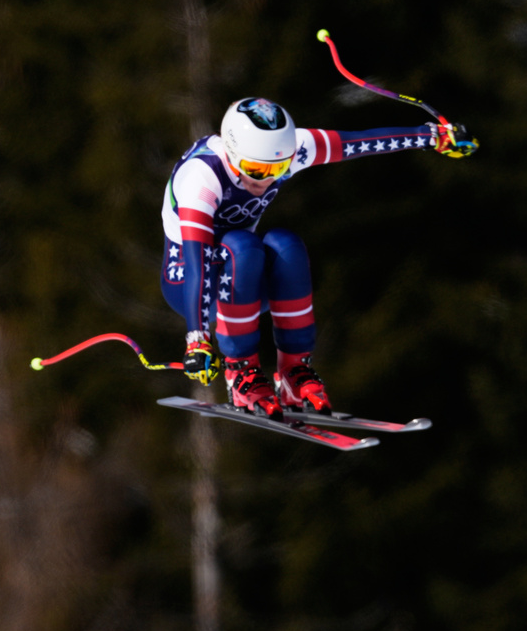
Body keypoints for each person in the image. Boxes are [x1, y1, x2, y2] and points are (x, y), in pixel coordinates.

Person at [161, 97, 477, 419]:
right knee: (242, 245)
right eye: (256, 169)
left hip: (244, 282)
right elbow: (197, 262)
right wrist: (197, 339)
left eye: (279, 169)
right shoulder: (202, 179)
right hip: (188, 283)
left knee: (287, 246)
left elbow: (363, 142)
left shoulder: (291, 148)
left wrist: (432, 137)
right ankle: (241, 372)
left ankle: (294, 371)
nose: (266, 179)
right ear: (230, 153)